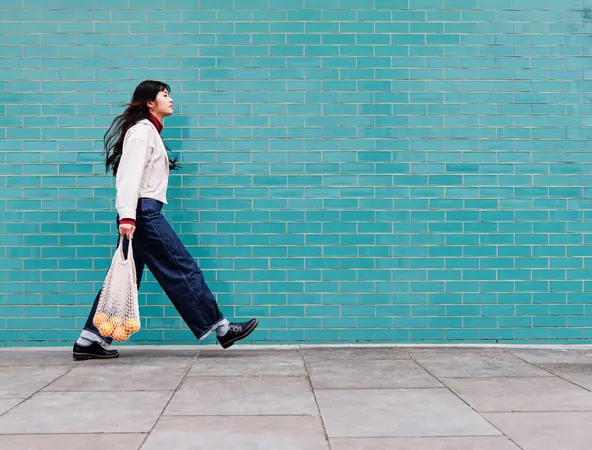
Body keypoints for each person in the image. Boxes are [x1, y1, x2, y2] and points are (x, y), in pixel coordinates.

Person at [73, 80, 258, 360]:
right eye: (165, 95)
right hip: (142, 214)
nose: (170, 100)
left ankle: (89, 340)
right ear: (150, 102)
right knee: (182, 268)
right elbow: (128, 176)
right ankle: (222, 329)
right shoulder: (141, 132)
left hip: (142, 213)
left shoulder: (150, 133)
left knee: (126, 279)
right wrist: (127, 216)